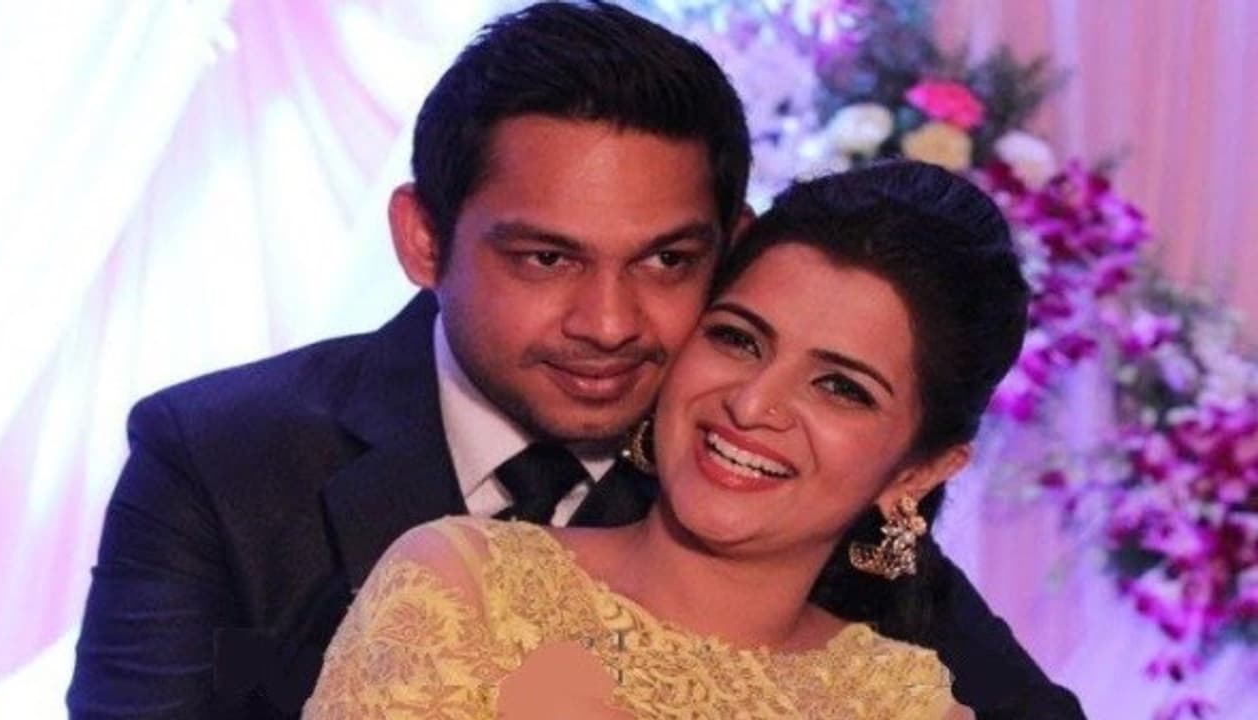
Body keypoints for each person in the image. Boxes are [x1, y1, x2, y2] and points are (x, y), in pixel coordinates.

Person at [69, 2, 1082, 718]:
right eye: (546, 259)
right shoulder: (221, 457)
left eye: (666, 261)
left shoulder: (794, 497)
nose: (608, 323)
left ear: (729, 249)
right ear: (424, 240)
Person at [302, 161, 1024, 719]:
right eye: (738, 339)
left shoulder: (904, 706)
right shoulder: (464, 588)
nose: (751, 404)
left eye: (840, 387)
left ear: (920, 471)